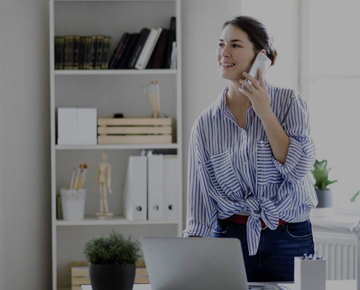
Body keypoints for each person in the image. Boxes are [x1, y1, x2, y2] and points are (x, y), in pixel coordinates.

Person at [183, 16, 317, 282]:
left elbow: (298, 169)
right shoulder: (205, 124)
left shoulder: (289, 102)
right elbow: (200, 205)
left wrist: (265, 112)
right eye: (221, 44)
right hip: (231, 239)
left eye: (235, 45)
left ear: (260, 56)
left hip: (289, 237)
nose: (224, 53)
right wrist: (189, 263)